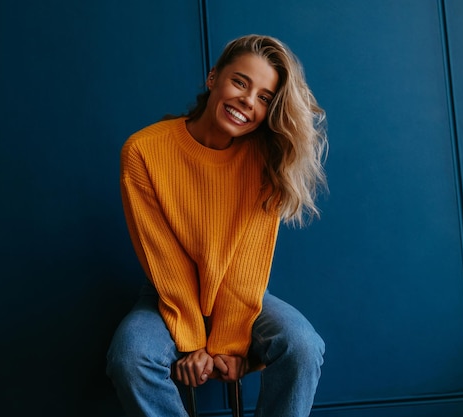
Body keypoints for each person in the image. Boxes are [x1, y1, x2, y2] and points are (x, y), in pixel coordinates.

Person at [106, 34, 328, 417]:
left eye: (264, 97)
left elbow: (247, 263)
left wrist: (229, 344)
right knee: (129, 356)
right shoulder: (144, 151)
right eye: (241, 82)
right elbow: (164, 259)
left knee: (303, 345)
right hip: (167, 292)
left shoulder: (266, 160)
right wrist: (193, 342)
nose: (248, 101)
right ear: (213, 78)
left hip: (240, 290)